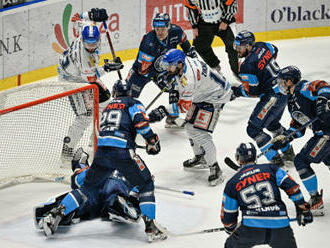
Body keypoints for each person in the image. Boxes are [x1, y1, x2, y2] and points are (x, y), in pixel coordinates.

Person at [40, 80, 168, 242]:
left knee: (87, 188)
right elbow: (141, 123)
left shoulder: (108, 107)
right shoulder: (133, 102)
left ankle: (56, 213)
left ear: (114, 94)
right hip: (123, 152)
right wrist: (152, 140)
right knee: (146, 184)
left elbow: (113, 129)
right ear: (129, 93)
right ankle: (151, 228)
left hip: (103, 151)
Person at [58, 8, 124, 162]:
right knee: (85, 116)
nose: (91, 46)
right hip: (72, 80)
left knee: (107, 105)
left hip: (81, 74)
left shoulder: (87, 28)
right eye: (88, 43)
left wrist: (92, 14)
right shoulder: (84, 57)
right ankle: (67, 150)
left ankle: (95, 140)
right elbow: (91, 78)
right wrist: (108, 67)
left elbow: (77, 18)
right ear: (83, 40)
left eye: (94, 43)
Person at [161, 49, 232, 186]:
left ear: (180, 64)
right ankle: (201, 157)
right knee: (189, 126)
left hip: (215, 97)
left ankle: (215, 169)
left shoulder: (189, 79)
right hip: (203, 94)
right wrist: (174, 89)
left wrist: (163, 110)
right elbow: (180, 84)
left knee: (200, 133)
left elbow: (182, 107)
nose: (168, 68)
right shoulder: (183, 64)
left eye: (170, 65)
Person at [221, 142, 313, 248]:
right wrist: (302, 207)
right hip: (280, 226)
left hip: (251, 229)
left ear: (239, 159)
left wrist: (231, 229)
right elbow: (292, 187)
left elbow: (228, 215)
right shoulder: (271, 169)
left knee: (230, 245)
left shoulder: (233, 182)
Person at [270, 66, 330, 216]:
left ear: (290, 81)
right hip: (322, 134)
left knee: (301, 160)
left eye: (282, 81)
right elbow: (299, 126)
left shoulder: (302, 88)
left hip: (326, 133)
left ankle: (315, 200)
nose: (280, 85)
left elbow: (323, 86)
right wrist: (285, 138)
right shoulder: (291, 102)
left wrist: (322, 102)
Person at [35, 148, 141, 229]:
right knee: (88, 194)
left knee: (84, 193)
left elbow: (77, 182)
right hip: (109, 196)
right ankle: (59, 211)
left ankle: (59, 210)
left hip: (99, 196)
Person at [231, 30, 293, 167]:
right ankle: (288, 152)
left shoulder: (247, 66)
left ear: (248, 45)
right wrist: (264, 68)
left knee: (253, 129)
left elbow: (254, 92)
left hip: (272, 97)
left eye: (239, 47)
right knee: (272, 124)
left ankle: (275, 160)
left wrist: (236, 91)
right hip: (284, 91)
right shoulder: (263, 46)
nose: (237, 50)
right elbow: (275, 51)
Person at [126, 13, 195, 127]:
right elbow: (143, 70)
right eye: (157, 29)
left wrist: (191, 55)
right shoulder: (148, 42)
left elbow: (187, 47)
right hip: (142, 72)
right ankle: (125, 121)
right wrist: (158, 77)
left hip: (165, 69)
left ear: (168, 26)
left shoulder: (176, 32)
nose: (160, 32)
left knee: (176, 88)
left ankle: (172, 118)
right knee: (128, 95)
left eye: (163, 29)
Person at [184, 0, 239, 78]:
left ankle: (237, 72)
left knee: (234, 46)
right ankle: (214, 66)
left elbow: (231, 2)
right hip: (205, 22)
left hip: (224, 20)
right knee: (200, 46)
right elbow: (191, 8)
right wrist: (194, 26)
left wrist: (226, 20)